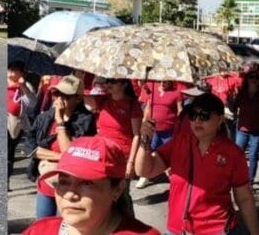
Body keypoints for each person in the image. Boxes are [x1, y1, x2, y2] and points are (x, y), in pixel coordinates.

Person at [135, 93, 259, 235]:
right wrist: (144, 142)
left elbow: (244, 198)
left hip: (215, 230)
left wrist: (255, 233)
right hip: (176, 229)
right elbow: (145, 171)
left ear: (220, 119)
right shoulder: (179, 143)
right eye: (193, 115)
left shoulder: (233, 153)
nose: (197, 121)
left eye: (204, 116)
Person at [23, 136, 161, 235]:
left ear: (117, 189)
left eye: (86, 183)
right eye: (64, 182)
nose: (70, 195)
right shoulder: (40, 231)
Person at [23, 75, 97, 219]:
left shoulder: (86, 121)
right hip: (46, 184)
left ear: (78, 99)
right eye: (56, 94)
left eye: (65, 96)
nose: (59, 99)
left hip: (71, 188)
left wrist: (60, 122)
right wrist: (58, 157)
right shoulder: (44, 118)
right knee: (43, 225)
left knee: (64, 227)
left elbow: (70, 153)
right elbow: (29, 148)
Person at [88, 78, 142, 215]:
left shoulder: (132, 104)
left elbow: (137, 135)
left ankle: (129, 227)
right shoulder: (103, 100)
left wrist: (131, 162)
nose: (109, 84)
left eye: (113, 82)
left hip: (122, 157)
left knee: (121, 196)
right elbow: (85, 98)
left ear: (124, 85)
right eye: (108, 81)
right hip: (102, 155)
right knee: (102, 194)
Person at [135, 81, 182, 189]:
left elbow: (180, 110)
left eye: (165, 81)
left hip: (169, 131)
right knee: (150, 150)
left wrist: (181, 126)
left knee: (171, 157)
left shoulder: (176, 93)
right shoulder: (153, 91)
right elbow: (148, 108)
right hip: (155, 130)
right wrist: (145, 120)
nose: (162, 83)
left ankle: (174, 180)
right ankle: (145, 176)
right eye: (160, 81)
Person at [7, 61, 37, 183]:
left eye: (14, 69)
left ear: (21, 73)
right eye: (9, 69)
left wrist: (23, 86)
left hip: (15, 124)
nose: (10, 72)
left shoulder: (26, 86)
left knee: (8, 152)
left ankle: (6, 180)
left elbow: (32, 103)